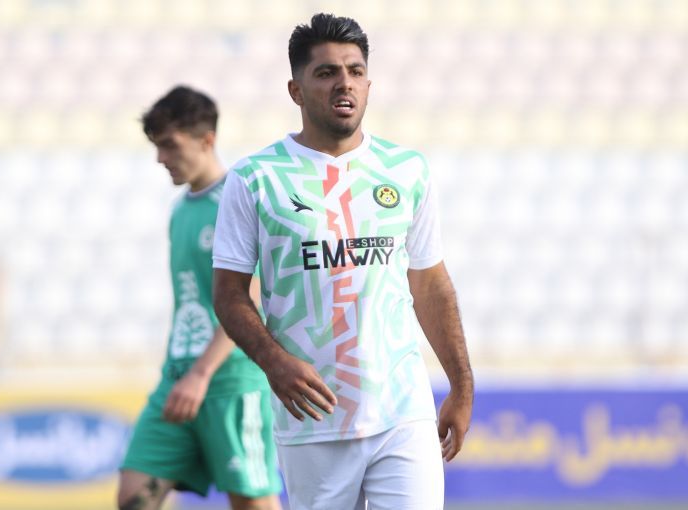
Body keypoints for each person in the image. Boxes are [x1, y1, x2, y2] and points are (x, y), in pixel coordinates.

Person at [211, 13, 474, 510]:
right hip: (314, 418)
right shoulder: (255, 178)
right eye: (326, 72)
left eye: (355, 71)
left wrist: (461, 386)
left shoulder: (407, 171)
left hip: (402, 412)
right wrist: (274, 363)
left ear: (369, 85)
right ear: (296, 90)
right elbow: (228, 294)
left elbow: (430, 284)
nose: (344, 83)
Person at [117, 85, 283, 510]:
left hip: (230, 381)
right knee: (134, 497)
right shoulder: (180, 209)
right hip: (178, 377)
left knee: (252, 503)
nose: (161, 158)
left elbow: (248, 299)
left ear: (207, 140)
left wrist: (202, 373)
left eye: (170, 145)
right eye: (156, 147)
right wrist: (187, 373)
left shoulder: (236, 201)